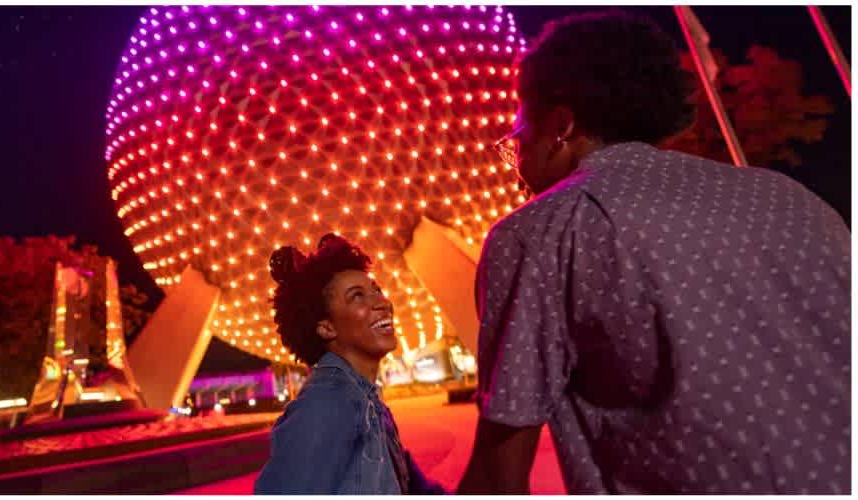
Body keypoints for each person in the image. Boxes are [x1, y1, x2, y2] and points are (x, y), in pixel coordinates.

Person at [458, 10, 851, 495]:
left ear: (559, 125)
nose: (515, 161)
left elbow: (501, 471)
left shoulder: (542, 232)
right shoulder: (789, 197)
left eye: (517, 137)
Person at [254, 233, 445, 495]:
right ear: (326, 327)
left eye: (376, 290)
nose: (382, 303)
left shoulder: (364, 400)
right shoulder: (326, 404)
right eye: (357, 296)